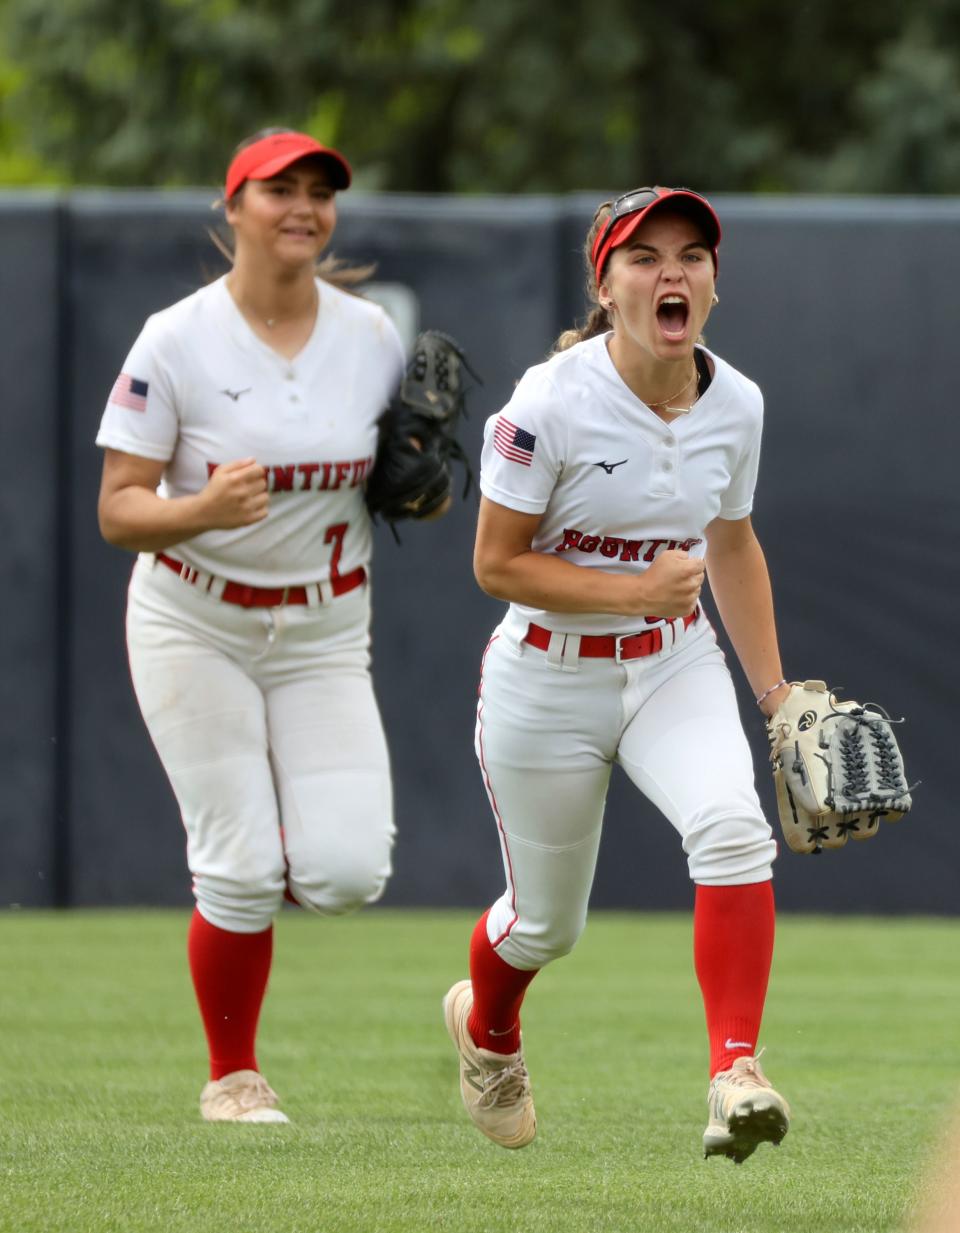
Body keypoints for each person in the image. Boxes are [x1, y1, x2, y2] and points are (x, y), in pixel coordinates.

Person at [443, 186, 792, 1163]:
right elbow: (496, 565)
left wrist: (775, 694)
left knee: (732, 829)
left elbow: (733, 542)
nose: (670, 272)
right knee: (545, 926)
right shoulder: (546, 402)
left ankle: (735, 1072)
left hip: (674, 663)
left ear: (714, 285)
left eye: (691, 254)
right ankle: (490, 1029)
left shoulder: (740, 402)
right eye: (643, 257)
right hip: (548, 676)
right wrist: (633, 589)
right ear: (605, 284)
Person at [96, 128, 432, 1123]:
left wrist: (420, 492)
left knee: (345, 872)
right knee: (238, 868)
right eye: (280, 188)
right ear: (232, 205)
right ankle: (232, 1077)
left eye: (321, 191)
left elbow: (404, 486)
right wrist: (198, 508)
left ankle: (253, 869)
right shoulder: (178, 337)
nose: (304, 207)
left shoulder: (369, 335)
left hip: (324, 628)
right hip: (194, 619)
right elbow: (120, 509)